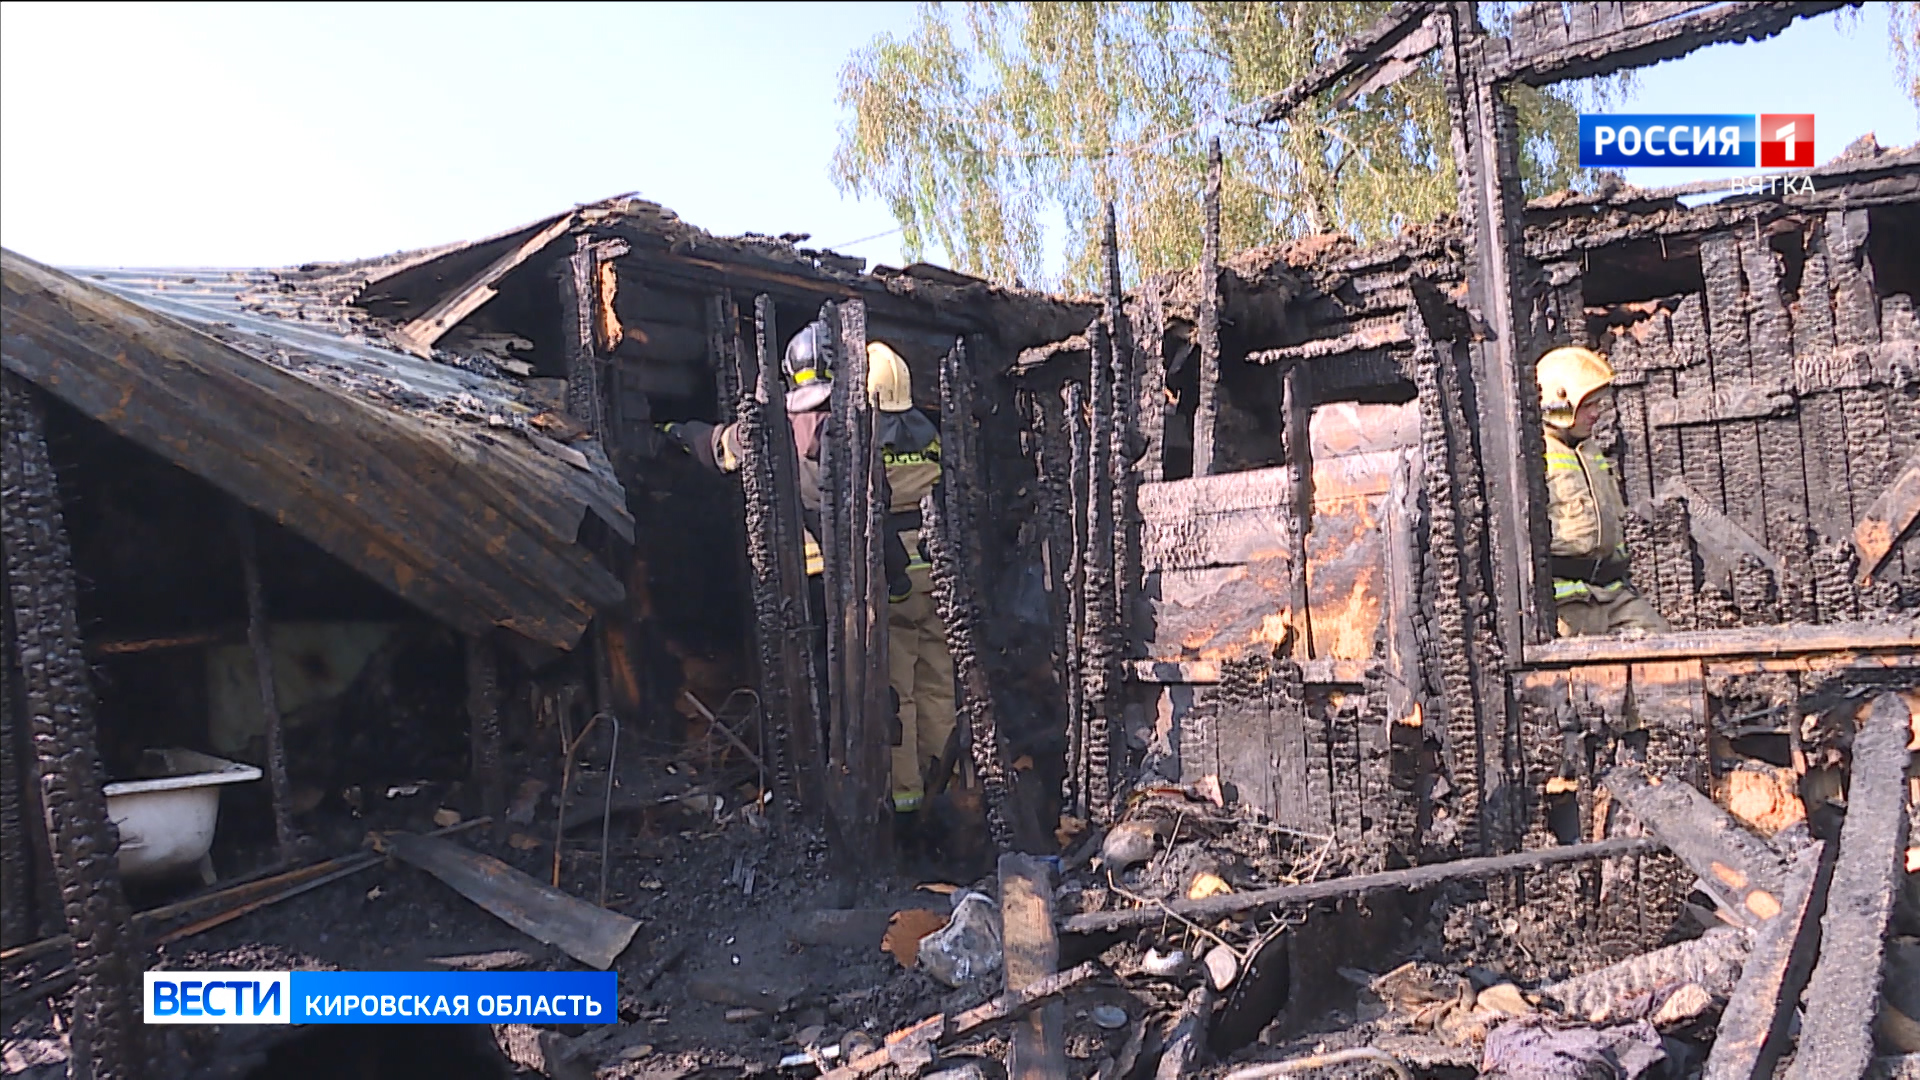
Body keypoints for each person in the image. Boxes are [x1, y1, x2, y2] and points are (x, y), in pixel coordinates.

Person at [865, 343, 958, 820]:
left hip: (894, 582)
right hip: (936, 580)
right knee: (940, 687)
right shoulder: (932, 437)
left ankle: (906, 800)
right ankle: (942, 786)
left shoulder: (868, 444)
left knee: (896, 693)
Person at [1538, 345, 1670, 638]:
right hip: (1565, 600)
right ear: (1560, 401)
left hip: (1610, 592)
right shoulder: (1535, 453)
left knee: (1661, 639)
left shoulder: (1588, 450)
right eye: (1587, 405)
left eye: (1597, 404)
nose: (1596, 414)